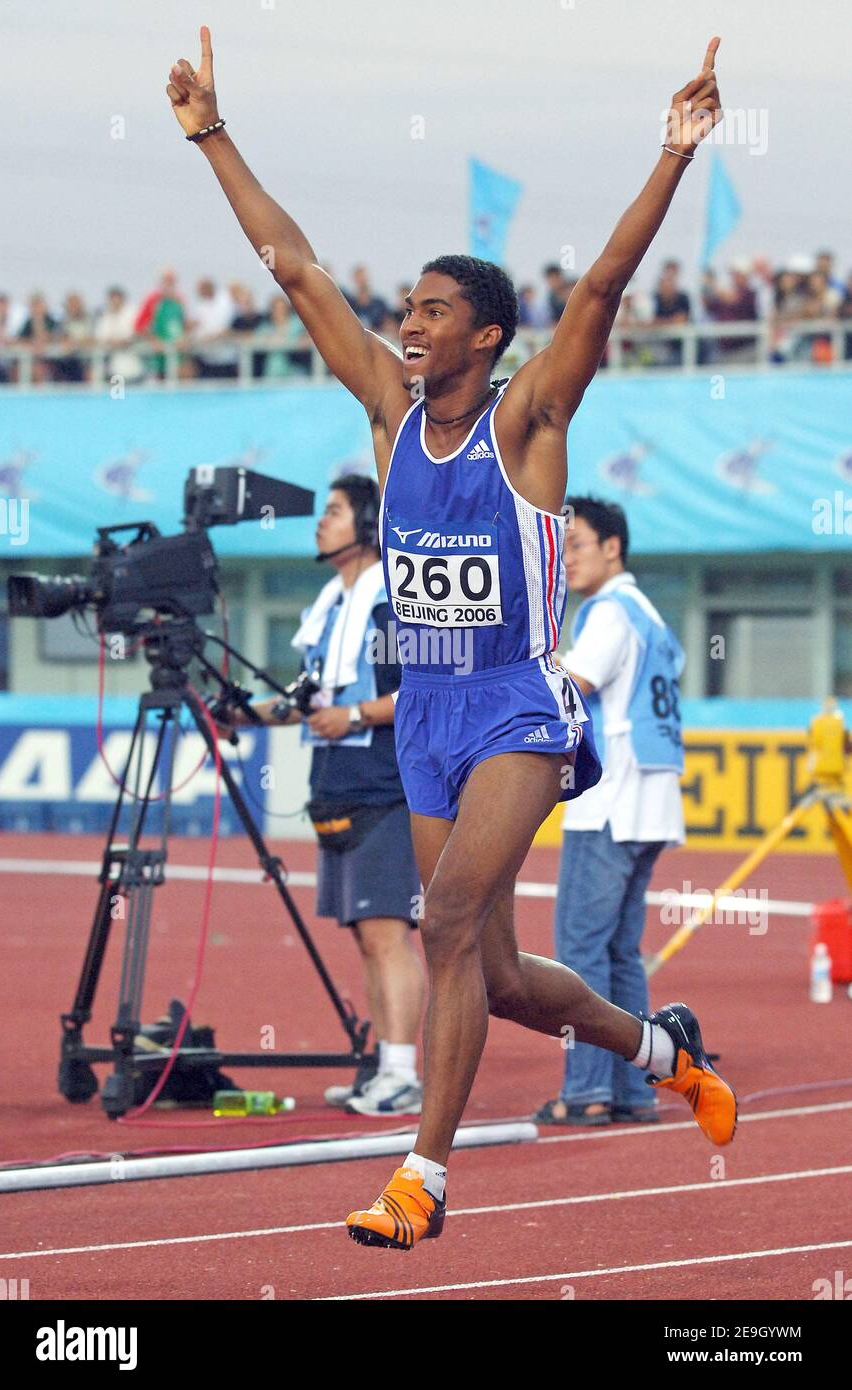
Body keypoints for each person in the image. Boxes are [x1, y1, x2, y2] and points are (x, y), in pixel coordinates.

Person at [167, 27, 737, 1250]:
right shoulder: (386, 411)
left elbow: (597, 294)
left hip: (516, 704)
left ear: (485, 337)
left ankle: (422, 1172)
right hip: (422, 713)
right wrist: (212, 134)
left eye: (432, 312)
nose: (408, 324)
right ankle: (657, 1045)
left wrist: (671, 155)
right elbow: (299, 276)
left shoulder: (527, 422)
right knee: (501, 969)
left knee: (441, 924)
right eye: (408, 310)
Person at [220, 476, 425, 1116]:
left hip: (387, 789)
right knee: (367, 934)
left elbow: (425, 691)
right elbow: (307, 703)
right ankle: (383, 1068)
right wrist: (239, 715)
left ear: (367, 525)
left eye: (334, 512)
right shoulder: (331, 607)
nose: (319, 523)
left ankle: (403, 1072)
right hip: (337, 789)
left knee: (389, 934)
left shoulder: (394, 603)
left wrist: (357, 716)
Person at [534, 497, 685, 1128]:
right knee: (622, 953)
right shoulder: (649, 613)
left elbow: (571, 683)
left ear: (612, 548)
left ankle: (589, 1088)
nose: (566, 559)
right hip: (651, 803)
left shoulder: (610, 612)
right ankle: (634, 1088)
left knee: (579, 954)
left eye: (577, 546)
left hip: (611, 806)